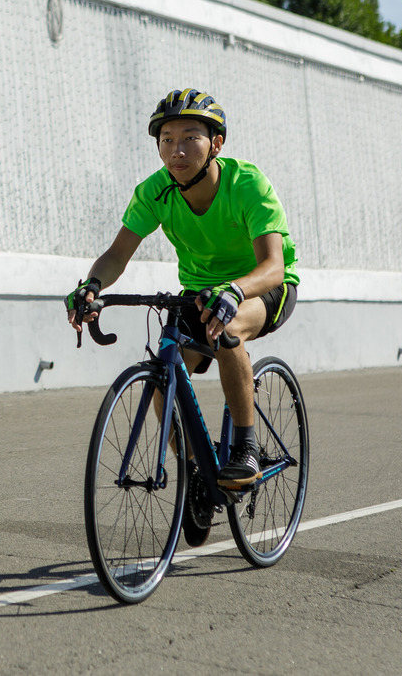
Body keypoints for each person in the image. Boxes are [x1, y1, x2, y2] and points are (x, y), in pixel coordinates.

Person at [65, 87, 299, 525]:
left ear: (216, 144)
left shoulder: (247, 184)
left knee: (228, 334)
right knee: (161, 379)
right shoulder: (155, 192)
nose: (176, 150)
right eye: (166, 139)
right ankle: (197, 470)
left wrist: (233, 290)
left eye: (190, 137)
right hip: (198, 293)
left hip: (262, 289)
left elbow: (272, 265)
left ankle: (245, 449)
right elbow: (117, 255)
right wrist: (92, 285)